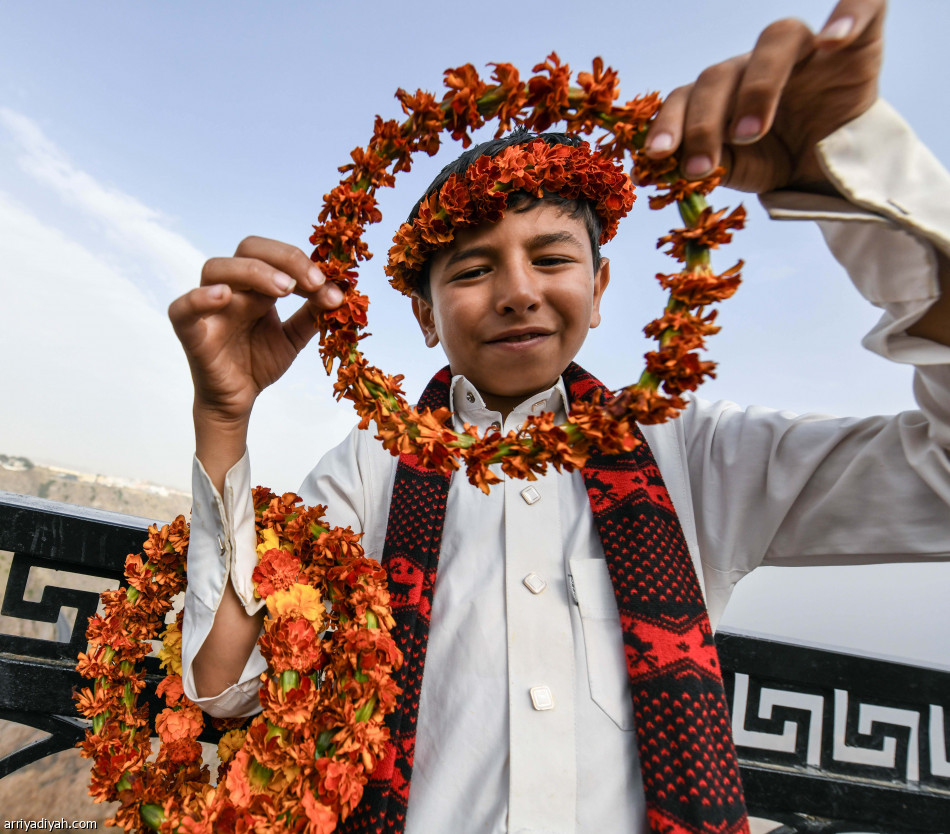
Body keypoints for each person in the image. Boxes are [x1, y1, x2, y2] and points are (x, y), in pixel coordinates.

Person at [169, 0, 950, 831]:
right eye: (471, 270)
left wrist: (847, 174)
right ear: (425, 316)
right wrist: (224, 420)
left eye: (550, 258)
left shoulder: (700, 458)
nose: (517, 292)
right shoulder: (371, 471)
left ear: (601, 291)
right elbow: (228, 682)